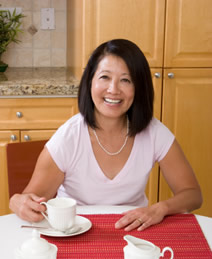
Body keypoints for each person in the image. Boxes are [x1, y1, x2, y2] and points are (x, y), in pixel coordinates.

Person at [9, 39, 202, 231]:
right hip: (75, 233)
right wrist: (19, 202)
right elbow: (31, 200)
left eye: (125, 80)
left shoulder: (154, 132)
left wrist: (160, 208)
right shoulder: (68, 137)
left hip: (134, 234)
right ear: (90, 81)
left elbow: (192, 194)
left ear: (139, 88)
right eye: (105, 77)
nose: (113, 89)